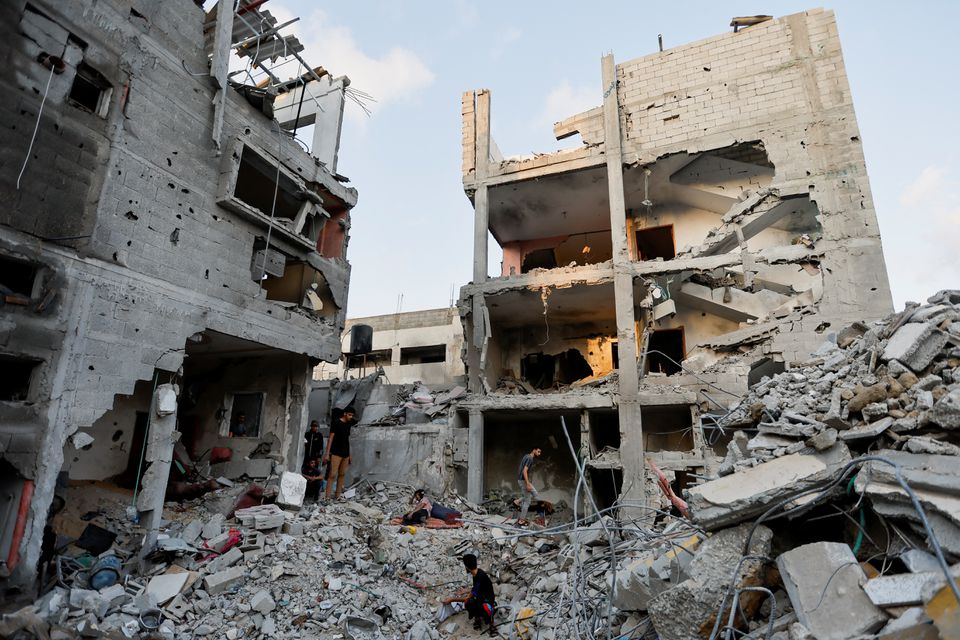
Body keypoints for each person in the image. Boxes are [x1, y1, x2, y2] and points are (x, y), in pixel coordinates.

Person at [442, 553, 496, 636]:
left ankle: (491, 624)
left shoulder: (480, 577)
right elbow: (476, 588)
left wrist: (452, 599)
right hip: (481, 597)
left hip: (487, 602)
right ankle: (478, 617)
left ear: (466, 566)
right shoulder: (477, 573)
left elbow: (468, 597)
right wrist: (465, 591)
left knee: (468, 602)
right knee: (471, 601)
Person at [324, 407, 357, 500]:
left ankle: (337, 495)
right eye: (349, 415)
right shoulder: (336, 422)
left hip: (345, 453)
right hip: (336, 453)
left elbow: (348, 440)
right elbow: (330, 438)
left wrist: (350, 455)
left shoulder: (349, 424)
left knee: (342, 474)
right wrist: (327, 453)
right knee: (332, 474)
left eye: (352, 415)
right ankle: (327, 496)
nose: (351, 417)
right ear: (345, 413)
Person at [517, 447, 542, 525]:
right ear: (534, 450)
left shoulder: (526, 456)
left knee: (535, 494)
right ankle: (521, 520)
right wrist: (527, 483)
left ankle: (517, 501)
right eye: (538, 451)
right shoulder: (530, 458)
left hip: (523, 480)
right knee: (527, 501)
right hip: (523, 481)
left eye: (540, 452)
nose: (539, 453)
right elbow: (524, 471)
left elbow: (521, 469)